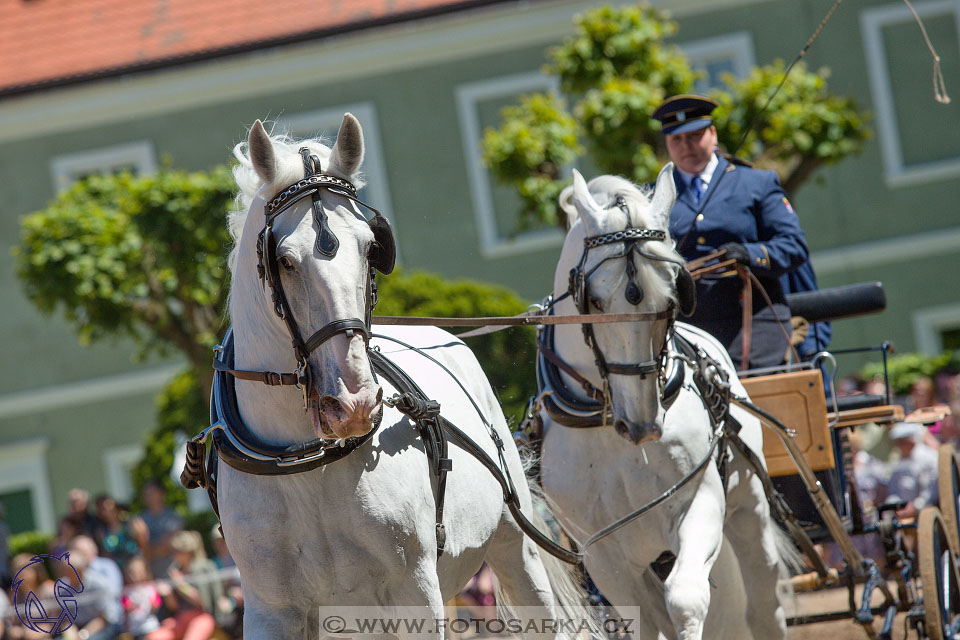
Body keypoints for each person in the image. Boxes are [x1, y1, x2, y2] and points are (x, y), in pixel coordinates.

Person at [652, 94, 809, 370]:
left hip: (753, 324)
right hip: (685, 331)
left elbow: (794, 246)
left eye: (694, 135)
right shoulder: (653, 197)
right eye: (676, 139)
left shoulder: (757, 183)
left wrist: (750, 254)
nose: (686, 145)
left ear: (713, 135)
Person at [138, 482, 183, 580]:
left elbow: (167, 545)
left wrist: (148, 547)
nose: (149, 497)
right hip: (151, 573)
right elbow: (139, 548)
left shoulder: (172, 516)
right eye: (146, 494)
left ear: (161, 493)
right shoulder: (140, 519)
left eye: (152, 493)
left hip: (173, 570)